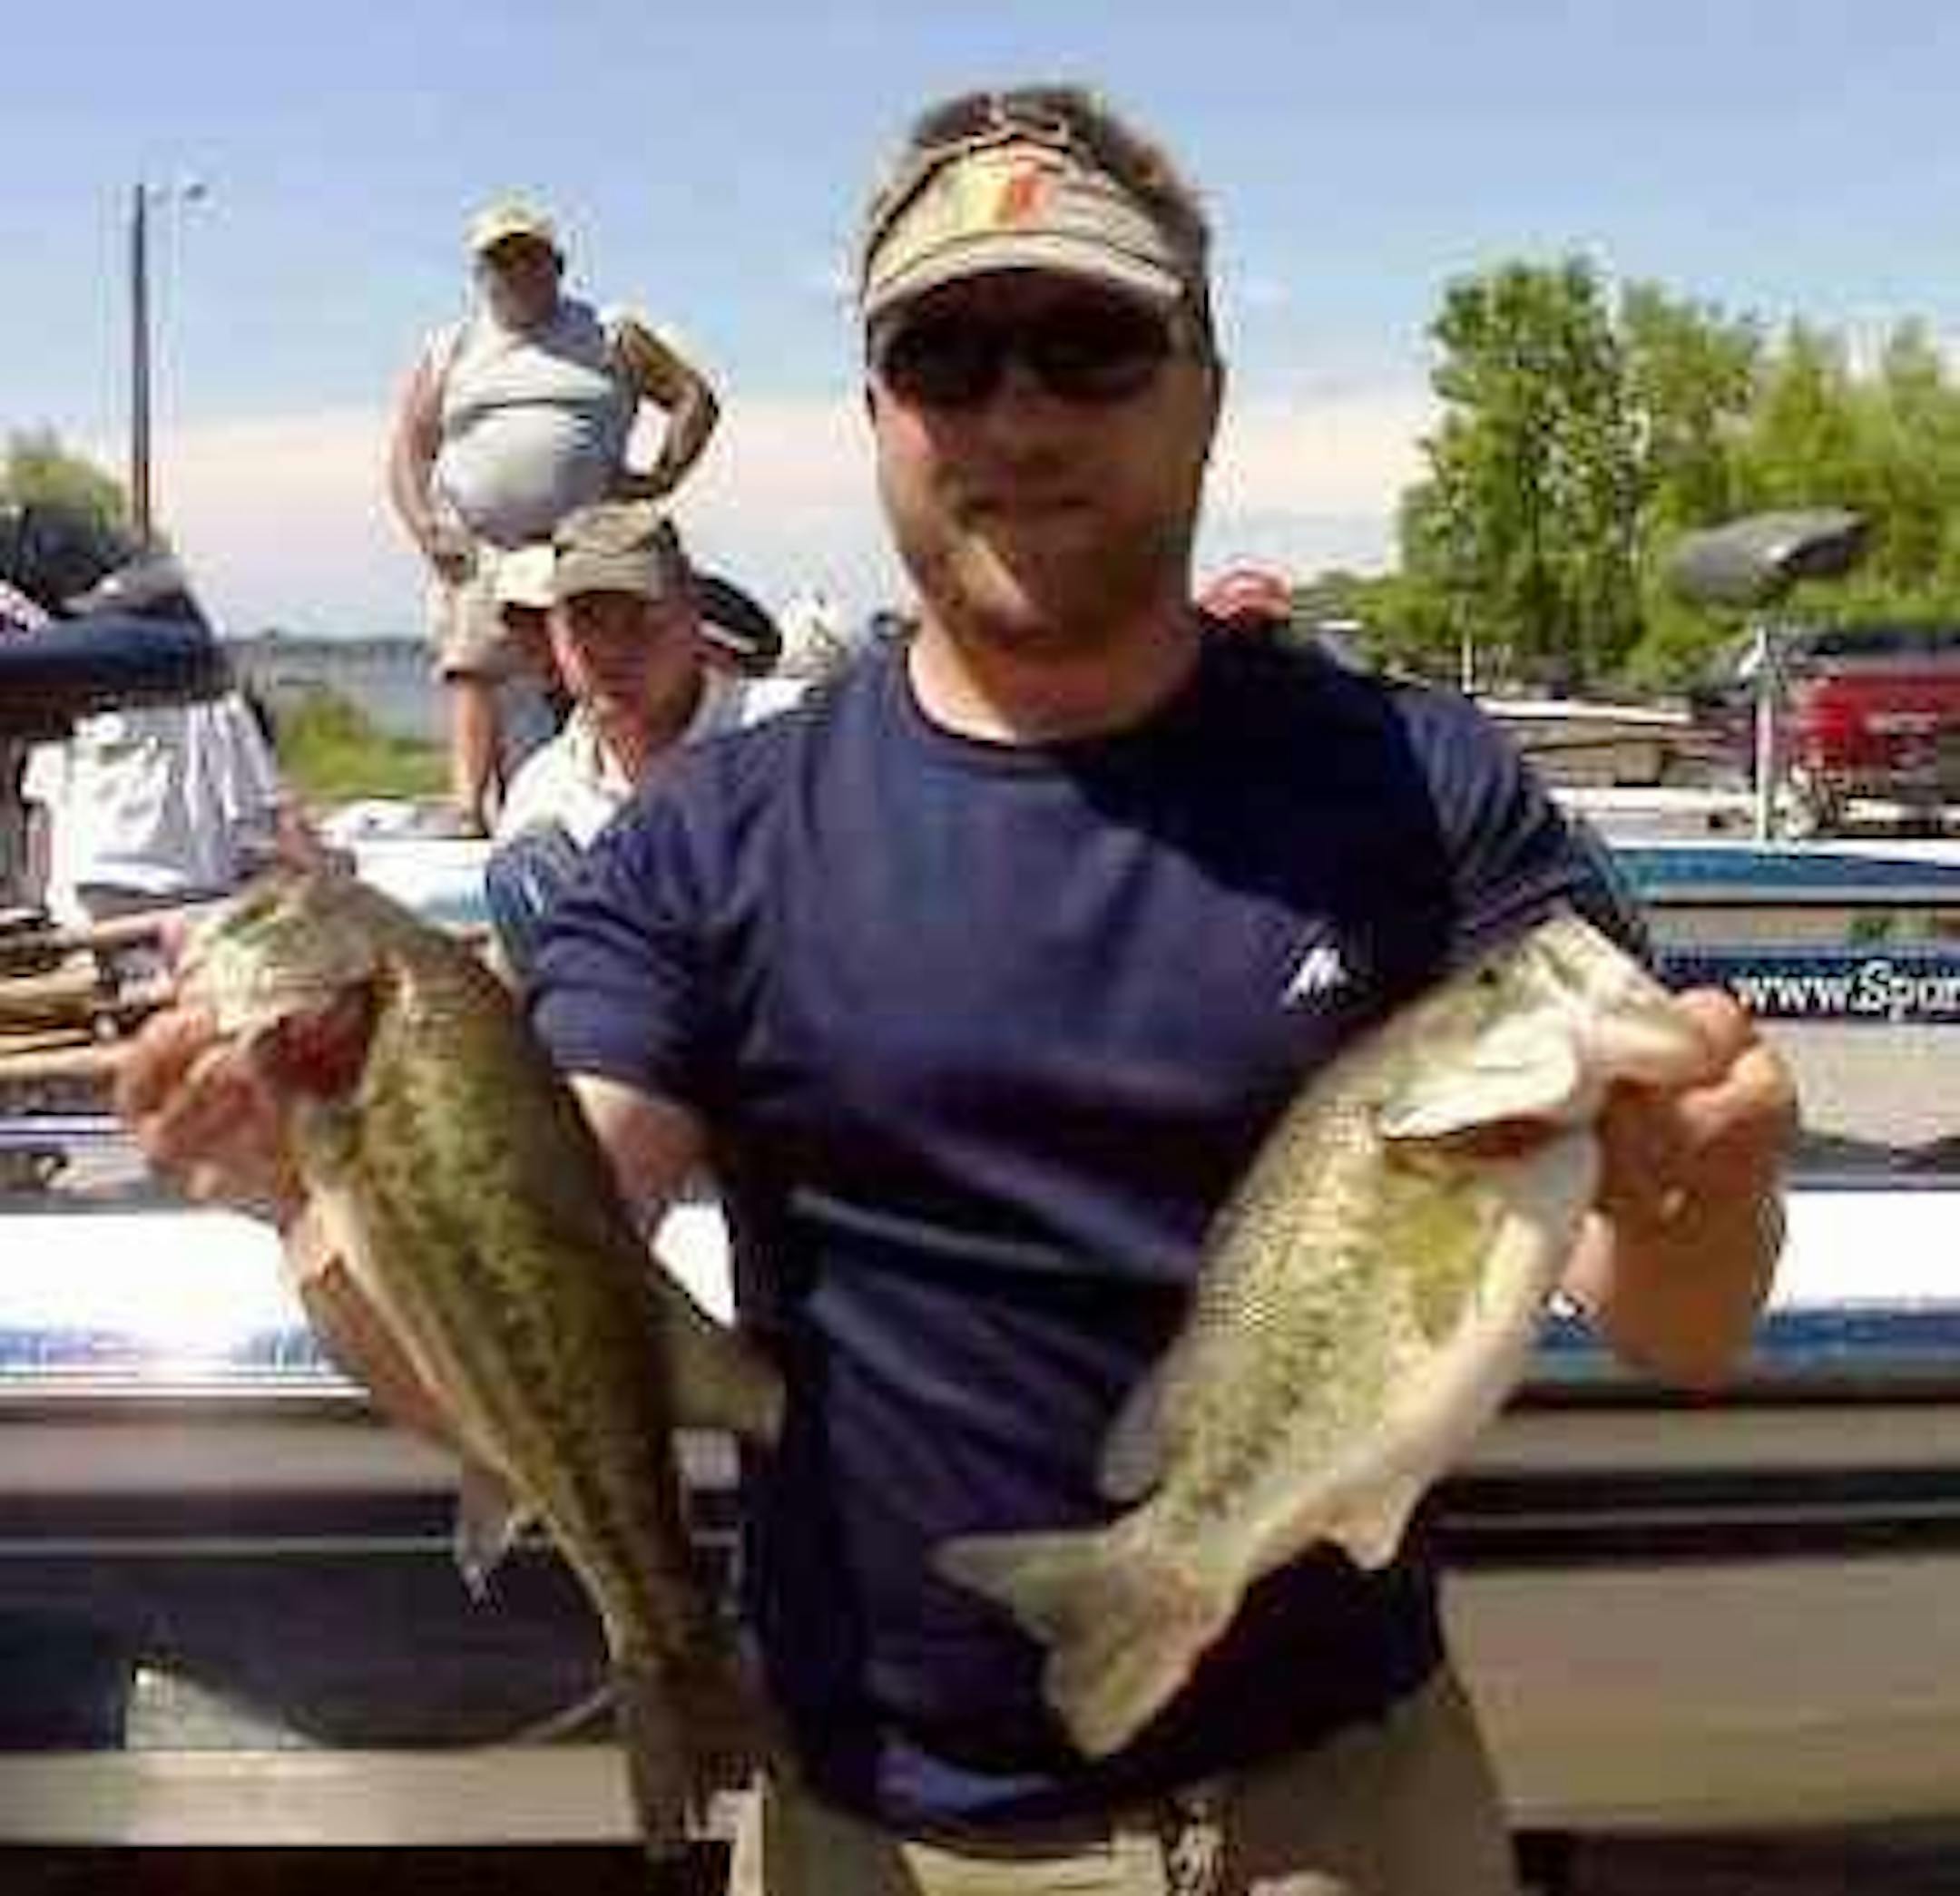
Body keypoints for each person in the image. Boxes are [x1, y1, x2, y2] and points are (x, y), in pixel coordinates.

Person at [122, 84, 1795, 1896]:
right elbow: (531, 1307)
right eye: (948, 354)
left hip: (1345, 1817)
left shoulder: (1427, 785)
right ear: (875, 414)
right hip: (867, 1832)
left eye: (1091, 345)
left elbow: (1683, 1320)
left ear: (1206, 387)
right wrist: (308, 1187)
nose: (1016, 415)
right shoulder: (711, 845)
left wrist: (1720, 1178)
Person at [387, 200, 721, 836]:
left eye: (528, 257)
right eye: (499, 261)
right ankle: (469, 809)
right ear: (479, 274)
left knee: (598, 669)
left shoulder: (608, 332)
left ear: (558, 265)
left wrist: (661, 475)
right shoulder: (450, 348)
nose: (514, 272)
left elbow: (694, 399)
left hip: (585, 544)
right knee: (472, 665)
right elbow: (408, 449)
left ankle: (615, 796)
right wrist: (426, 526)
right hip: (483, 545)